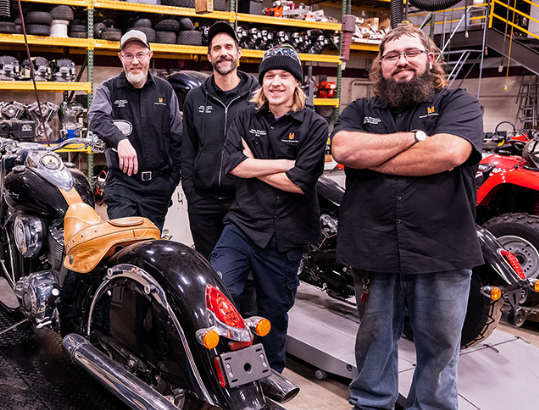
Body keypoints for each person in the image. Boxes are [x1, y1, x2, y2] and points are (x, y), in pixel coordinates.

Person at [331, 23, 484, 410]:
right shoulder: (360, 109)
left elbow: (448, 153)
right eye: (392, 55)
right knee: (374, 340)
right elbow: (345, 150)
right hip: (373, 247)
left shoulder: (457, 103)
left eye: (411, 53)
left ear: (430, 59)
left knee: (439, 347)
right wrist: (415, 140)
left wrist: (374, 158)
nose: (402, 62)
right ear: (380, 66)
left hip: (441, 248)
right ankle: (371, 404)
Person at [211, 45, 328, 377]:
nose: (276, 82)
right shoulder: (246, 116)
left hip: (287, 233)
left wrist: (254, 165)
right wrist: (283, 164)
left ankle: (272, 372)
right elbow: (232, 166)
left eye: (284, 76)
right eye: (270, 76)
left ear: (297, 83)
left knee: (274, 310)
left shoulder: (315, 126)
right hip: (243, 224)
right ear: (262, 82)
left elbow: (301, 182)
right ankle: (223, 366)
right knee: (220, 290)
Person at [88, 29, 182, 232]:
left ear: (150, 54)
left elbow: (177, 136)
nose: (135, 61)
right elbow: (96, 118)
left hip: (159, 187)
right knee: (124, 244)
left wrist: (172, 180)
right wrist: (120, 140)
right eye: (128, 55)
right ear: (120, 57)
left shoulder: (165, 90)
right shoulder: (108, 89)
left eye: (140, 54)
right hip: (122, 185)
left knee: (149, 247)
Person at [181, 21, 259, 259]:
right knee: (209, 268)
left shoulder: (257, 97)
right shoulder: (195, 98)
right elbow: (188, 149)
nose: (223, 53)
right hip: (203, 203)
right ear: (209, 56)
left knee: (244, 271)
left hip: (242, 201)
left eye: (228, 47)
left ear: (238, 52)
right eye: (216, 48)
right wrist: (191, 194)